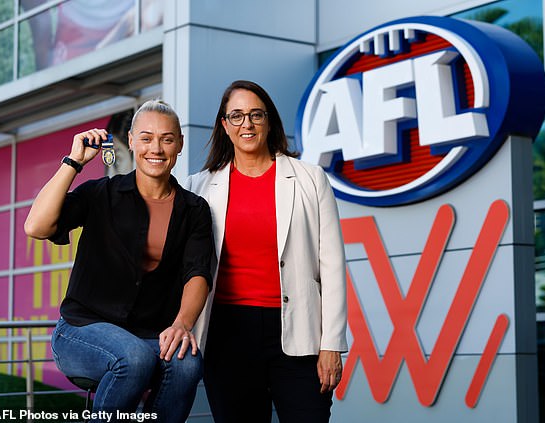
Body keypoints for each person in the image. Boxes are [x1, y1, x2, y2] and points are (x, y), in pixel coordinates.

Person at [24, 100, 213, 423]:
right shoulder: (102, 194)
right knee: (134, 358)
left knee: (187, 363)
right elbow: (36, 227)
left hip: (149, 333)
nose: (156, 148)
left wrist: (182, 323)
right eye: (146, 137)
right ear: (131, 140)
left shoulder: (193, 209)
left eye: (167, 139)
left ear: (179, 144)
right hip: (81, 330)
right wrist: (73, 162)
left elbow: (197, 273)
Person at [186, 80, 348, 423]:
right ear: (224, 125)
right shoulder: (197, 187)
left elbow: (332, 266)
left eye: (256, 114)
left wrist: (332, 343)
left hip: (299, 334)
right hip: (227, 335)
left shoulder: (310, 178)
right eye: (237, 116)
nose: (247, 124)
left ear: (269, 121)